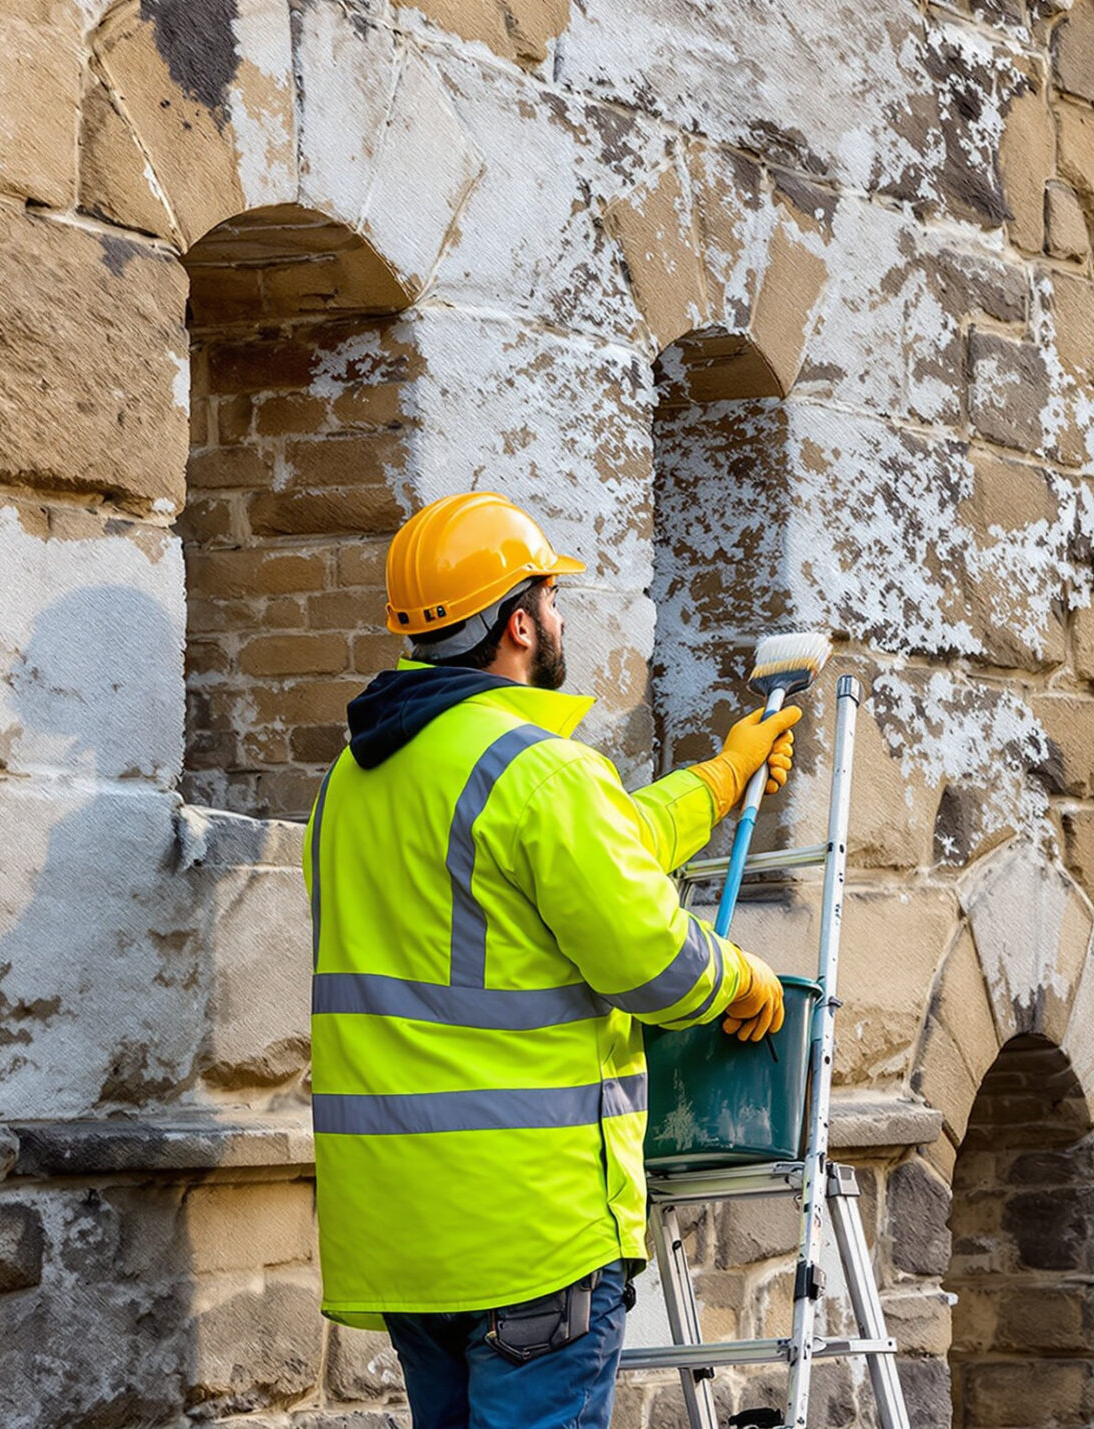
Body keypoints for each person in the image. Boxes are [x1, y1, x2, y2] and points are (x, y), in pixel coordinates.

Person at [305, 490, 798, 1427]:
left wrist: (722, 778)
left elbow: (586, 852)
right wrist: (740, 975)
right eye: (552, 597)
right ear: (519, 623)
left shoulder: (351, 782)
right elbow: (651, 961)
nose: (561, 615)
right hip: (528, 1230)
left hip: (403, 1236)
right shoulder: (539, 767)